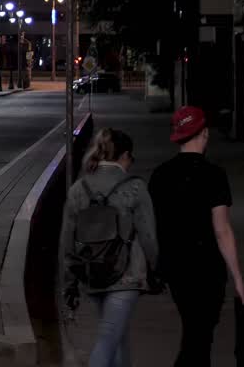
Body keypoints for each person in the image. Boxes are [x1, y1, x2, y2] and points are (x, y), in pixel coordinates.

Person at [150, 105, 244, 366]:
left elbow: (153, 225)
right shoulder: (214, 175)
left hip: (175, 267)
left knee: (196, 332)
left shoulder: (160, 175)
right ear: (204, 133)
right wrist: (237, 277)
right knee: (200, 334)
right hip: (207, 267)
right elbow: (222, 230)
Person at [62, 128, 159, 367]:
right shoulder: (135, 187)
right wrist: (156, 269)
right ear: (125, 156)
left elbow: (66, 242)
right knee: (108, 339)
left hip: (92, 274)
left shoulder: (78, 189)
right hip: (126, 276)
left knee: (118, 337)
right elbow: (148, 235)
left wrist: (70, 284)